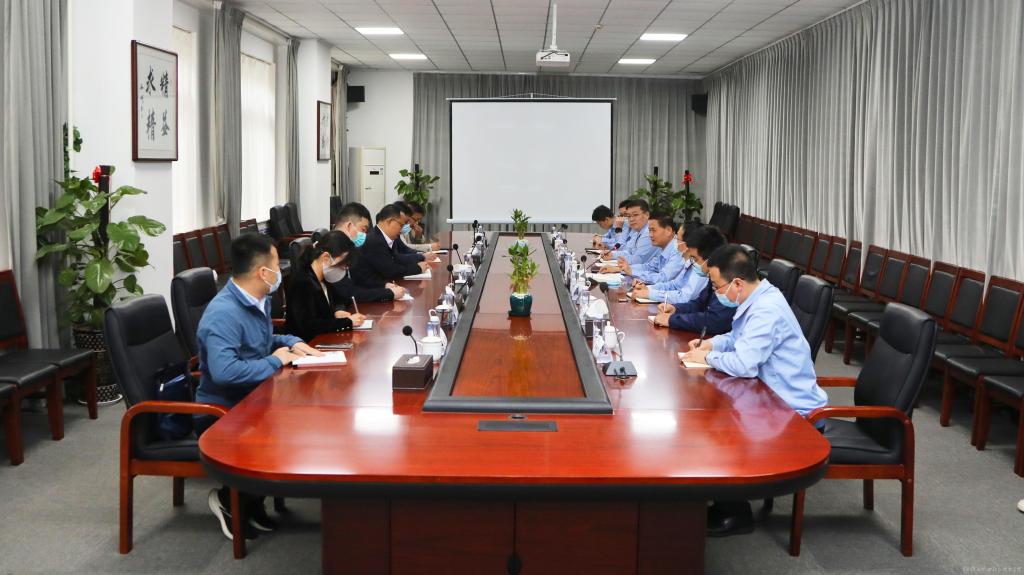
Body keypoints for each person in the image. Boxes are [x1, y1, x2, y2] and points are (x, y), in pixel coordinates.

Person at [680, 244, 828, 537]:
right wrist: (711, 344)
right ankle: (724, 501)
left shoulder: (766, 310)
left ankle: (735, 513)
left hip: (794, 414)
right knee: (711, 420)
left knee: (716, 430)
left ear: (737, 283)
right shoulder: (756, 297)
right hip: (769, 397)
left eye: (717, 286)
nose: (716, 292)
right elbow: (738, 338)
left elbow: (745, 364)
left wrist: (707, 358)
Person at [193, 233, 322, 540]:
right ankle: (228, 499)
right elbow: (225, 373)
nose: (280, 272)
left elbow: (261, 341)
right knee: (291, 428)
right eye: (276, 265)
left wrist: (292, 341)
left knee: (306, 417)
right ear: (263, 272)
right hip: (222, 411)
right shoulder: (224, 313)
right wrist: (276, 361)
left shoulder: (256, 299)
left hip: (252, 398)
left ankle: (251, 500)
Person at [284, 231, 367, 341]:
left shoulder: (324, 278)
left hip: (324, 339)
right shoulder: (302, 282)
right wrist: (346, 322)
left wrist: (336, 313)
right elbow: (307, 325)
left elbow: (335, 304)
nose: (344, 268)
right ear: (326, 257)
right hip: (305, 343)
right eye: (342, 264)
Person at [651, 226, 733, 335]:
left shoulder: (728, 278)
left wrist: (672, 320)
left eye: (695, 258)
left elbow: (714, 321)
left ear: (711, 257)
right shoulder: (713, 276)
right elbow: (699, 304)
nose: (692, 262)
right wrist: (676, 309)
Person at [330, 202, 405, 303]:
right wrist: (389, 293)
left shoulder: (351, 249)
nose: (365, 235)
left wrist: (384, 285)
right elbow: (349, 293)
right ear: (349, 226)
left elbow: (362, 277)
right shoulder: (330, 250)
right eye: (363, 230)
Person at [350, 203, 430, 290]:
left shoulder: (384, 236)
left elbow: (397, 259)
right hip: (368, 290)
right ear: (390, 221)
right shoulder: (375, 240)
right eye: (401, 225)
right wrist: (418, 268)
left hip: (379, 285)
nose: (401, 229)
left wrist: (418, 261)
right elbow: (392, 271)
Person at [633, 221, 705, 303]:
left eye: (678, 239)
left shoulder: (700, 266)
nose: (675, 242)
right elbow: (674, 285)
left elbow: (684, 297)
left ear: (689, 243)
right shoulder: (689, 261)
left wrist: (651, 294)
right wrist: (648, 288)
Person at [604, 215, 682, 285]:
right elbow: (649, 267)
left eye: (653, 230)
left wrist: (632, 272)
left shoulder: (677, 249)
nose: (650, 235)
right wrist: (622, 269)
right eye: (649, 230)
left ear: (668, 231)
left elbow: (664, 278)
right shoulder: (664, 247)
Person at [606, 199, 658, 265]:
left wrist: (617, 263)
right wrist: (611, 254)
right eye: (628, 216)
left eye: (635, 215)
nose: (631, 219)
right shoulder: (637, 231)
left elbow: (637, 260)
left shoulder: (648, 233)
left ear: (647, 215)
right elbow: (628, 251)